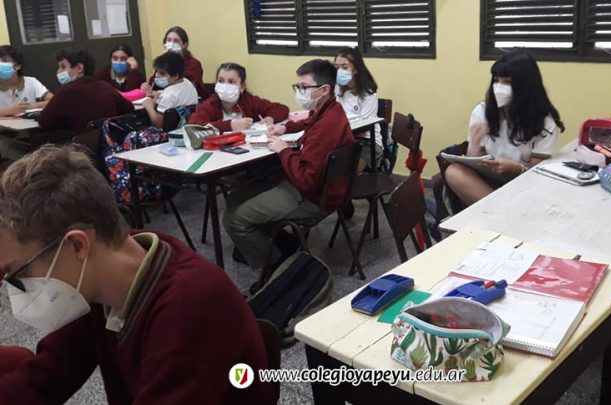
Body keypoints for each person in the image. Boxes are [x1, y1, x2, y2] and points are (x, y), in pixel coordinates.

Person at [0, 145, 275, 404]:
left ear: (76, 245)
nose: (16, 288)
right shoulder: (103, 272)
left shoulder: (187, 314)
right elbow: (45, 376)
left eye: (17, 273)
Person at [224, 59, 354, 270]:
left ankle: (276, 266)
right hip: (326, 189)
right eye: (297, 86)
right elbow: (309, 122)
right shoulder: (332, 110)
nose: (299, 92)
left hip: (312, 197)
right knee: (235, 197)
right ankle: (285, 243)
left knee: (234, 219)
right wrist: (286, 128)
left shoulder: (325, 128)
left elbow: (305, 179)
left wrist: (283, 150)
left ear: (324, 90)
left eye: (304, 87)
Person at [444, 49, 564, 207]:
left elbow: (537, 174)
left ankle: (499, 212)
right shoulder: (482, 111)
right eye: (496, 81)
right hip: (487, 182)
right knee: (453, 172)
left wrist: (516, 168)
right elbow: (475, 161)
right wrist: (474, 146)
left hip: (523, 184)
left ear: (525, 86)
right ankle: (502, 211)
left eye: (507, 82)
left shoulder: (545, 122)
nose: (499, 88)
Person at [38, 47, 134, 133]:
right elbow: (129, 109)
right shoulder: (105, 86)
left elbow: (44, 122)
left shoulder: (66, 91)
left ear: (79, 68)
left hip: (80, 145)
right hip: (109, 142)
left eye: (63, 67)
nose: (58, 71)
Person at [190, 62, 289, 132]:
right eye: (221, 81)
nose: (225, 85)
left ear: (242, 87)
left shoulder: (249, 101)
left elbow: (281, 108)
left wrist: (270, 118)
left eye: (231, 82)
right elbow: (193, 125)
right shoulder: (211, 104)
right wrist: (230, 125)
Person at [334, 47, 382, 171]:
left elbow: (365, 127)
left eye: (344, 67)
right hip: (343, 137)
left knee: (346, 171)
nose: (339, 71)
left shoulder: (368, 93)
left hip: (367, 141)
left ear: (355, 69)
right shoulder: (336, 88)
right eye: (337, 67)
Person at [142, 51, 198, 129]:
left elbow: (159, 123)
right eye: (156, 71)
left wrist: (149, 106)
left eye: (162, 73)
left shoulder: (168, 95)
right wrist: (160, 95)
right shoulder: (187, 83)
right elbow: (177, 96)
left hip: (170, 132)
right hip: (187, 127)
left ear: (175, 75)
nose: (157, 75)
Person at [143, 26, 205, 97]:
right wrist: (147, 87)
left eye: (176, 41)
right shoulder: (163, 62)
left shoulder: (193, 64)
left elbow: (185, 86)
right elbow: (155, 83)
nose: (171, 44)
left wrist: (162, 94)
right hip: (163, 98)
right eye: (169, 40)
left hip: (188, 99)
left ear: (184, 45)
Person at [0, 45, 53, 116]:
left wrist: (28, 107)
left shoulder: (31, 82)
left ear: (17, 66)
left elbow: (54, 101)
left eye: (4, 61)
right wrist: (8, 111)